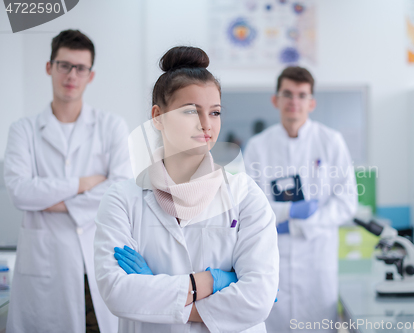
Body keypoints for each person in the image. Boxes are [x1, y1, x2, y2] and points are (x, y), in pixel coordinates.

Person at [93, 46, 279, 333]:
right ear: (158, 117)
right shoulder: (121, 200)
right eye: (191, 111)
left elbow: (258, 300)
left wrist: (161, 297)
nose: (206, 124)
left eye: (214, 112)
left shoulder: (245, 195)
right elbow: (117, 293)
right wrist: (208, 282)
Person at [4, 29, 131, 333]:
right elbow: (20, 192)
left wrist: (52, 202)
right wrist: (84, 182)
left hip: (98, 257)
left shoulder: (111, 126)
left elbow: (120, 189)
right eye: (64, 65)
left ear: (91, 75)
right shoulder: (23, 130)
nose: (71, 75)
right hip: (45, 267)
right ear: (50, 67)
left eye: (80, 68)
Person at [244, 66, 358, 332]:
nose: (294, 101)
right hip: (273, 258)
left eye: (301, 95)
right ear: (276, 100)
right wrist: (288, 214)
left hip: (317, 259)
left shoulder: (331, 141)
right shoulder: (259, 147)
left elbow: (346, 202)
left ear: (312, 102)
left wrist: (302, 224)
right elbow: (250, 205)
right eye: (287, 94)